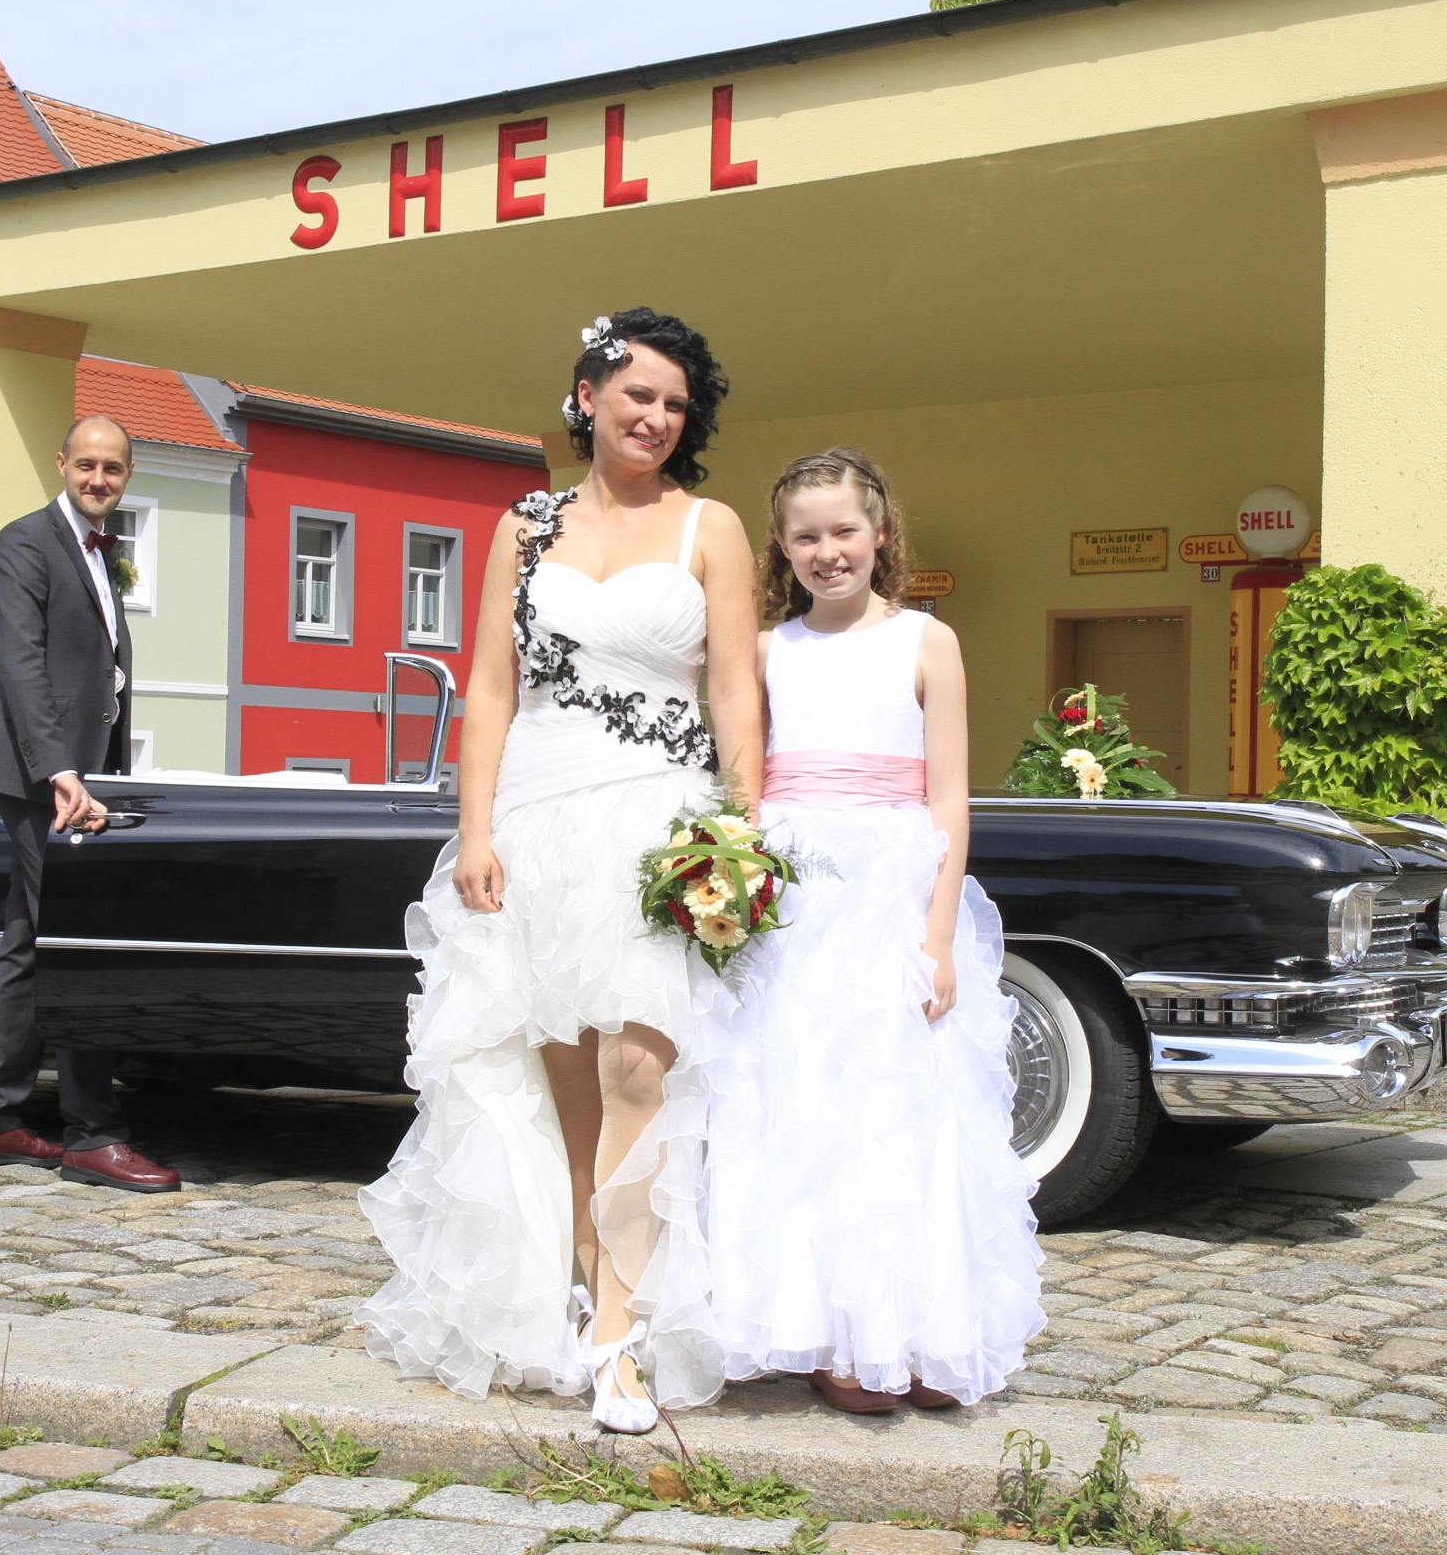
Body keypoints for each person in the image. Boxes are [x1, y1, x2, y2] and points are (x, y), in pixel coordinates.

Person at [359, 309, 763, 1434]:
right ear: (587, 396)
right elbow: (491, 685)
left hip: (659, 824)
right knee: (567, 1079)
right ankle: (588, 1280)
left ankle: (622, 1329)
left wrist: (743, 828)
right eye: (638, 395)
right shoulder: (524, 529)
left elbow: (736, 686)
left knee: (641, 1064)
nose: (657, 417)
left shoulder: (712, 528)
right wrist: (475, 832)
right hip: (536, 820)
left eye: (676, 404)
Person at [704, 447, 1044, 1412]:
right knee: (807, 1103)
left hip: (894, 897)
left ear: (881, 533)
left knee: (903, 1108)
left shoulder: (927, 642)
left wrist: (936, 937)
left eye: (844, 531)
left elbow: (949, 798)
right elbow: (743, 787)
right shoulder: (768, 651)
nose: (828, 552)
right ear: (781, 549)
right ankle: (828, 1334)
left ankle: (921, 1330)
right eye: (805, 536)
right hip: (799, 904)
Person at [0, 414, 183, 1195]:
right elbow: (22, 664)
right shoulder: (25, 542)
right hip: (42, 782)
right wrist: (59, 769)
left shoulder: (100, 551)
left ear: (128, 475)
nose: (98, 479)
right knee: (82, 941)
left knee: (27, 942)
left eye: (112, 468)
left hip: (87, 775)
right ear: (61, 463)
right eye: (86, 464)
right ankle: (92, 1134)